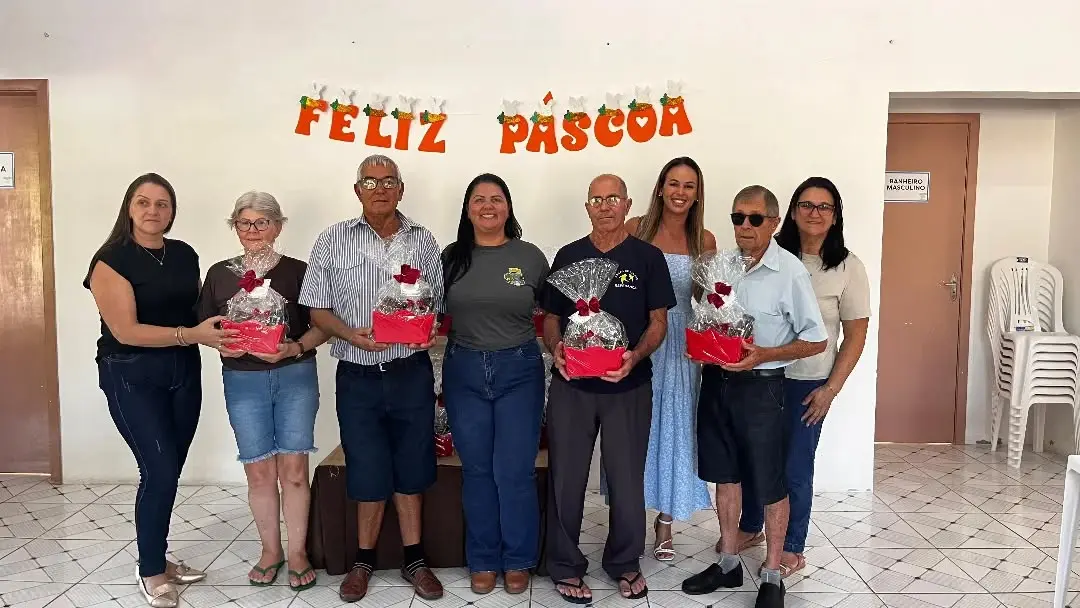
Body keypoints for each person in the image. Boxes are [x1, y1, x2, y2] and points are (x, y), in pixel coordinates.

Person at [84, 173, 236, 608]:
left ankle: (160, 557)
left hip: (182, 371)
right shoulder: (110, 260)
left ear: (172, 211)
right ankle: (151, 568)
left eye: (162, 204)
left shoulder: (184, 254)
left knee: (169, 468)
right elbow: (126, 330)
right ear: (128, 207)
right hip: (130, 372)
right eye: (143, 202)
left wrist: (246, 315)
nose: (153, 211)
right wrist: (191, 336)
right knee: (159, 469)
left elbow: (198, 311)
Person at [299, 154, 444, 603]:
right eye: (370, 181)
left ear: (401, 189)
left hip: (410, 371)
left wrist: (428, 328)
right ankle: (362, 561)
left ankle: (415, 559)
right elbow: (317, 308)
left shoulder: (423, 240)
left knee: (413, 463)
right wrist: (350, 334)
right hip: (357, 374)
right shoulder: (332, 239)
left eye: (388, 181)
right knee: (365, 464)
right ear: (356, 189)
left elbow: (434, 303)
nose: (379, 188)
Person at [681, 185, 827, 608]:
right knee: (726, 475)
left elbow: (815, 340)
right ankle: (728, 562)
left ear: (774, 223)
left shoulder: (790, 272)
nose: (745, 226)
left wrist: (765, 353)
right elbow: (709, 317)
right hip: (717, 381)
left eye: (755, 218)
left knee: (769, 481)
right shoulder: (721, 265)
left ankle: (771, 573)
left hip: (763, 386)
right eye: (737, 218)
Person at [541, 174, 676, 604]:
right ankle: (564, 563)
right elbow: (550, 317)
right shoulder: (568, 256)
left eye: (612, 198)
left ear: (627, 204)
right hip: (572, 386)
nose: (604, 205)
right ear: (587, 207)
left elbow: (659, 322)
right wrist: (556, 349)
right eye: (596, 198)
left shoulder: (647, 257)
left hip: (629, 386)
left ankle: (624, 561)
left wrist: (634, 357)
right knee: (566, 477)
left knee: (626, 479)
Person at [735, 177, 870, 577]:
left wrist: (831, 389)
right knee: (754, 458)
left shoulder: (848, 267)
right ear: (792, 212)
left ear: (835, 215)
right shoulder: (770, 255)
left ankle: (792, 546)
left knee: (794, 465)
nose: (814, 213)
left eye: (823, 207)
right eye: (806, 205)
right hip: (761, 376)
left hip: (807, 383)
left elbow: (855, 335)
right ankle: (751, 526)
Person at [197, 191, 329, 591]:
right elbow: (206, 328)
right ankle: (270, 551)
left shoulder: (298, 271)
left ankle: (298, 551)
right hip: (243, 381)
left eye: (262, 222)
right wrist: (222, 343)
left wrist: (295, 346)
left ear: (278, 225)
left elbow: (323, 326)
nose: (253, 230)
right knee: (258, 471)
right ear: (234, 227)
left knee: (293, 470)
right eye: (244, 223)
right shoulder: (220, 273)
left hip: (295, 377)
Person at [441, 174, 549, 595]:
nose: (488, 206)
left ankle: (518, 559)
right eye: (479, 199)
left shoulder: (530, 256)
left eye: (497, 199)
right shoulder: (451, 257)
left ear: (508, 207)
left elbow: (555, 313)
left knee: (515, 471)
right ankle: (483, 559)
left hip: (519, 369)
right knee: (478, 470)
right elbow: (429, 310)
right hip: (463, 369)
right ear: (467, 209)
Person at [622, 157, 717, 560]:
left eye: (689, 186)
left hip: (680, 347)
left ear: (697, 194)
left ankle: (664, 521)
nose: (680, 192)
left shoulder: (705, 241)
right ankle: (628, 519)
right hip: (639, 339)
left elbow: (705, 302)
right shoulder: (634, 229)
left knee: (675, 431)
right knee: (634, 431)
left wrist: (720, 309)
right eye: (673, 183)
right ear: (660, 187)